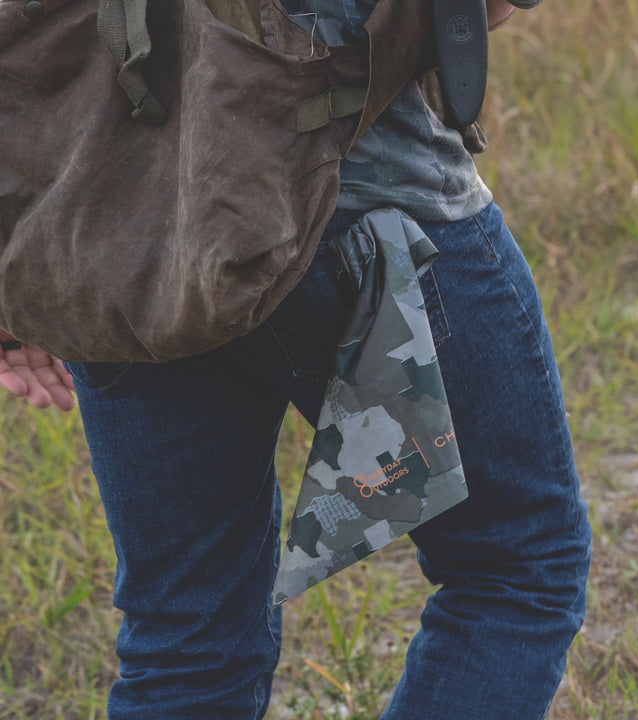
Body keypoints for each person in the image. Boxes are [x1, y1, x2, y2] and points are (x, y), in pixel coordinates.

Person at [0, 0, 592, 717]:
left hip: (124, 245)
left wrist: (18, 272)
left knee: (186, 640)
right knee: (513, 570)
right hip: (366, 212)